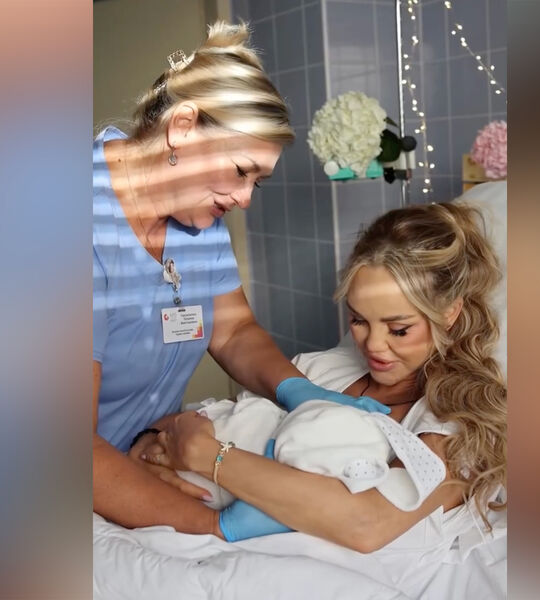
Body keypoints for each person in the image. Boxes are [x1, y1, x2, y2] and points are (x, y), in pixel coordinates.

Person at [93, 21, 388, 533]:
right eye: (239, 170)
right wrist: (216, 527)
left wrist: (298, 391)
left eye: (257, 181)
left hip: (134, 459)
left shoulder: (196, 215)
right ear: (183, 127)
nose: (245, 198)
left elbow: (232, 330)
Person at [138, 202, 507, 552]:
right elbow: (208, 423)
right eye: (359, 320)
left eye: (398, 329)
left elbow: (367, 523)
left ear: (449, 313)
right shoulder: (318, 370)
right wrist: (153, 446)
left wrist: (208, 457)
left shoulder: (455, 419)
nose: (373, 345)